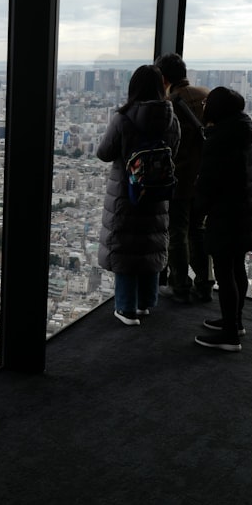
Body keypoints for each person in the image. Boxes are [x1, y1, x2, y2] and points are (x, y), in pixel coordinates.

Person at [97, 65, 181, 325]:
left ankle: (126, 308)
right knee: (150, 243)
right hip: (157, 192)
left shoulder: (123, 119)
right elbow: (174, 152)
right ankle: (146, 303)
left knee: (126, 247)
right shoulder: (172, 118)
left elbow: (104, 152)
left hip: (127, 192)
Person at [193, 87, 252, 352]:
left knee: (226, 274)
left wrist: (196, 213)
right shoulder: (244, 133)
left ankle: (230, 335)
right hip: (245, 211)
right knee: (237, 268)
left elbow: (208, 183)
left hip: (227, 215)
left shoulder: (220, 139)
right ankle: (235, 321)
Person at [155, 52, 213, 304]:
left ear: (164, 77)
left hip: (180, 177)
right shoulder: (206, 96)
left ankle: (179, 284)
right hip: (206, 177)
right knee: (197, 230)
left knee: (177, 232)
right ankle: (205, 283)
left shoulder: (168, 104)